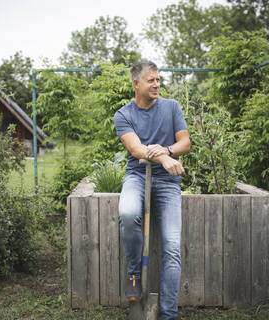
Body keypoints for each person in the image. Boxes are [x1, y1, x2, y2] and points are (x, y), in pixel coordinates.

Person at [114, 61, 191, 320]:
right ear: (136, 84)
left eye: (158, 79)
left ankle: (168, 314)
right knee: (127, 213)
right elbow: (136, 151)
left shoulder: (171, 108)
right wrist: (166, 159)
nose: (157, 84)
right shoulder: (123, 114)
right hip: (137, 176)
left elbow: (185, 142)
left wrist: (167, 150)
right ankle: (134, 277)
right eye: (151, 80)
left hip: (168, 184)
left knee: (171, 246)